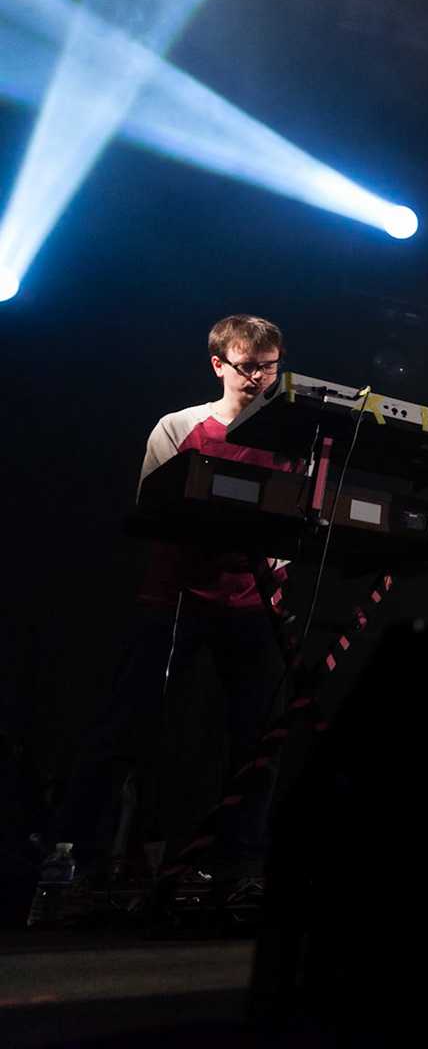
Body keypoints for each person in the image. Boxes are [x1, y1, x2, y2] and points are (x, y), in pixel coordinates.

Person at [41, 315, 296, 907]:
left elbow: (294, 523)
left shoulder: (290, 438)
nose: (258, 378)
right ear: (218, 365)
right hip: (175, 597)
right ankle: (70, 861)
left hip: (252, 602)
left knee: (261, 740)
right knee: (122, 731)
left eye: (269, 367)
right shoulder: (179, 427)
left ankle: (241, 866)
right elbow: (152, 510)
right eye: (247, 366)